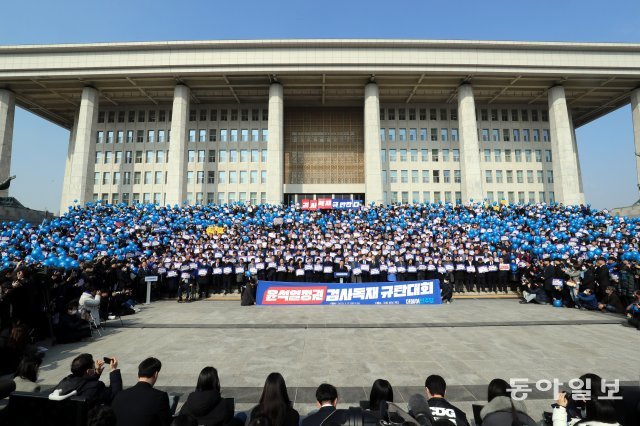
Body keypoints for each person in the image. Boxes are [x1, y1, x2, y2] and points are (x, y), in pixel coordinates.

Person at [111, 357, 172, 426]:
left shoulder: (120, 395)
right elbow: (167, 422)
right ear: (156, 374)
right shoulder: (160, 397)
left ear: (138, 374)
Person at [52, 353, 121, 406]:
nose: (95, 367)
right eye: (93, 366)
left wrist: (96, 373)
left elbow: (83, 383)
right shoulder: (96, 387)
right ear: (88, 371)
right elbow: (116, 396)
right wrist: (113, 370)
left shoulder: (65, 381)